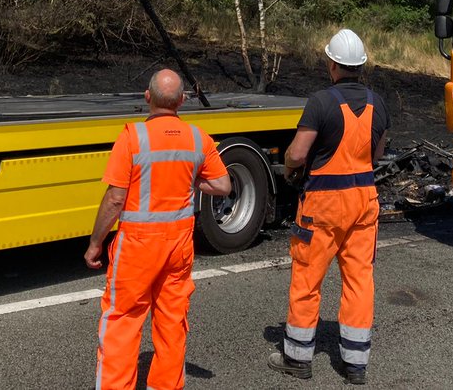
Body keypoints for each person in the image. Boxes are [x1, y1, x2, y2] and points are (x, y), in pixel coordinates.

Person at [85, 68, 232, 390]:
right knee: (171, 321)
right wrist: (193, 178)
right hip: (178, 244)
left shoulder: (132, 137)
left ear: (147, 97)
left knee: (123, 320)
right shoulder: (198, 138)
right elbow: (222, 185)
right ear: (181, 101)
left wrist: (95, 243)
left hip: (137, 246)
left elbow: (115, 199)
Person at [268, 28, 389, 386]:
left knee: (307, 279)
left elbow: (298, 152)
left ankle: (297, 358)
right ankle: (355, 364)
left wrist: (290, 168)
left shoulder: (321, 101)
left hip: (323, 204)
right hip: (364, 202)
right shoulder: (377, 103)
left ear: (332, 64)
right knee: (359, 280)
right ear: (361, 66)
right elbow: (378, 153)